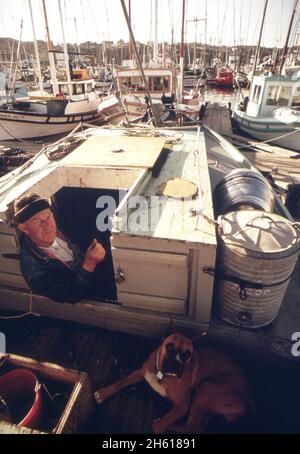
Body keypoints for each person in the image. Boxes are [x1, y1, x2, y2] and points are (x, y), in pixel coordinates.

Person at [14, 193, 111, 304]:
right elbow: (73, 295)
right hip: (88, 294)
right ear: (24, 228)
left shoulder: (57, 226)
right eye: (37, 222)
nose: (47, 225)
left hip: (96, 271)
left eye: (48, 217)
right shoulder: (35, 272)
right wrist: (89, 264)